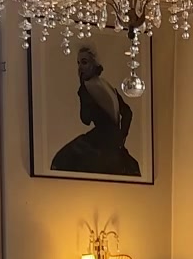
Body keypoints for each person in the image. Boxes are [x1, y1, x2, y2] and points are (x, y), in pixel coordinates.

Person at [50, 45, 142, 177]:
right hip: (113, 139)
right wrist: (121, 136)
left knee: (62, 160)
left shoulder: (88, 86)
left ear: (94, 64)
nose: (80, 67)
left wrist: (82, 89)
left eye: (84, 62)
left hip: (101, 140)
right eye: (78, 63)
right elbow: (127, 112)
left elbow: (85, 119)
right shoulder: (107, 85)